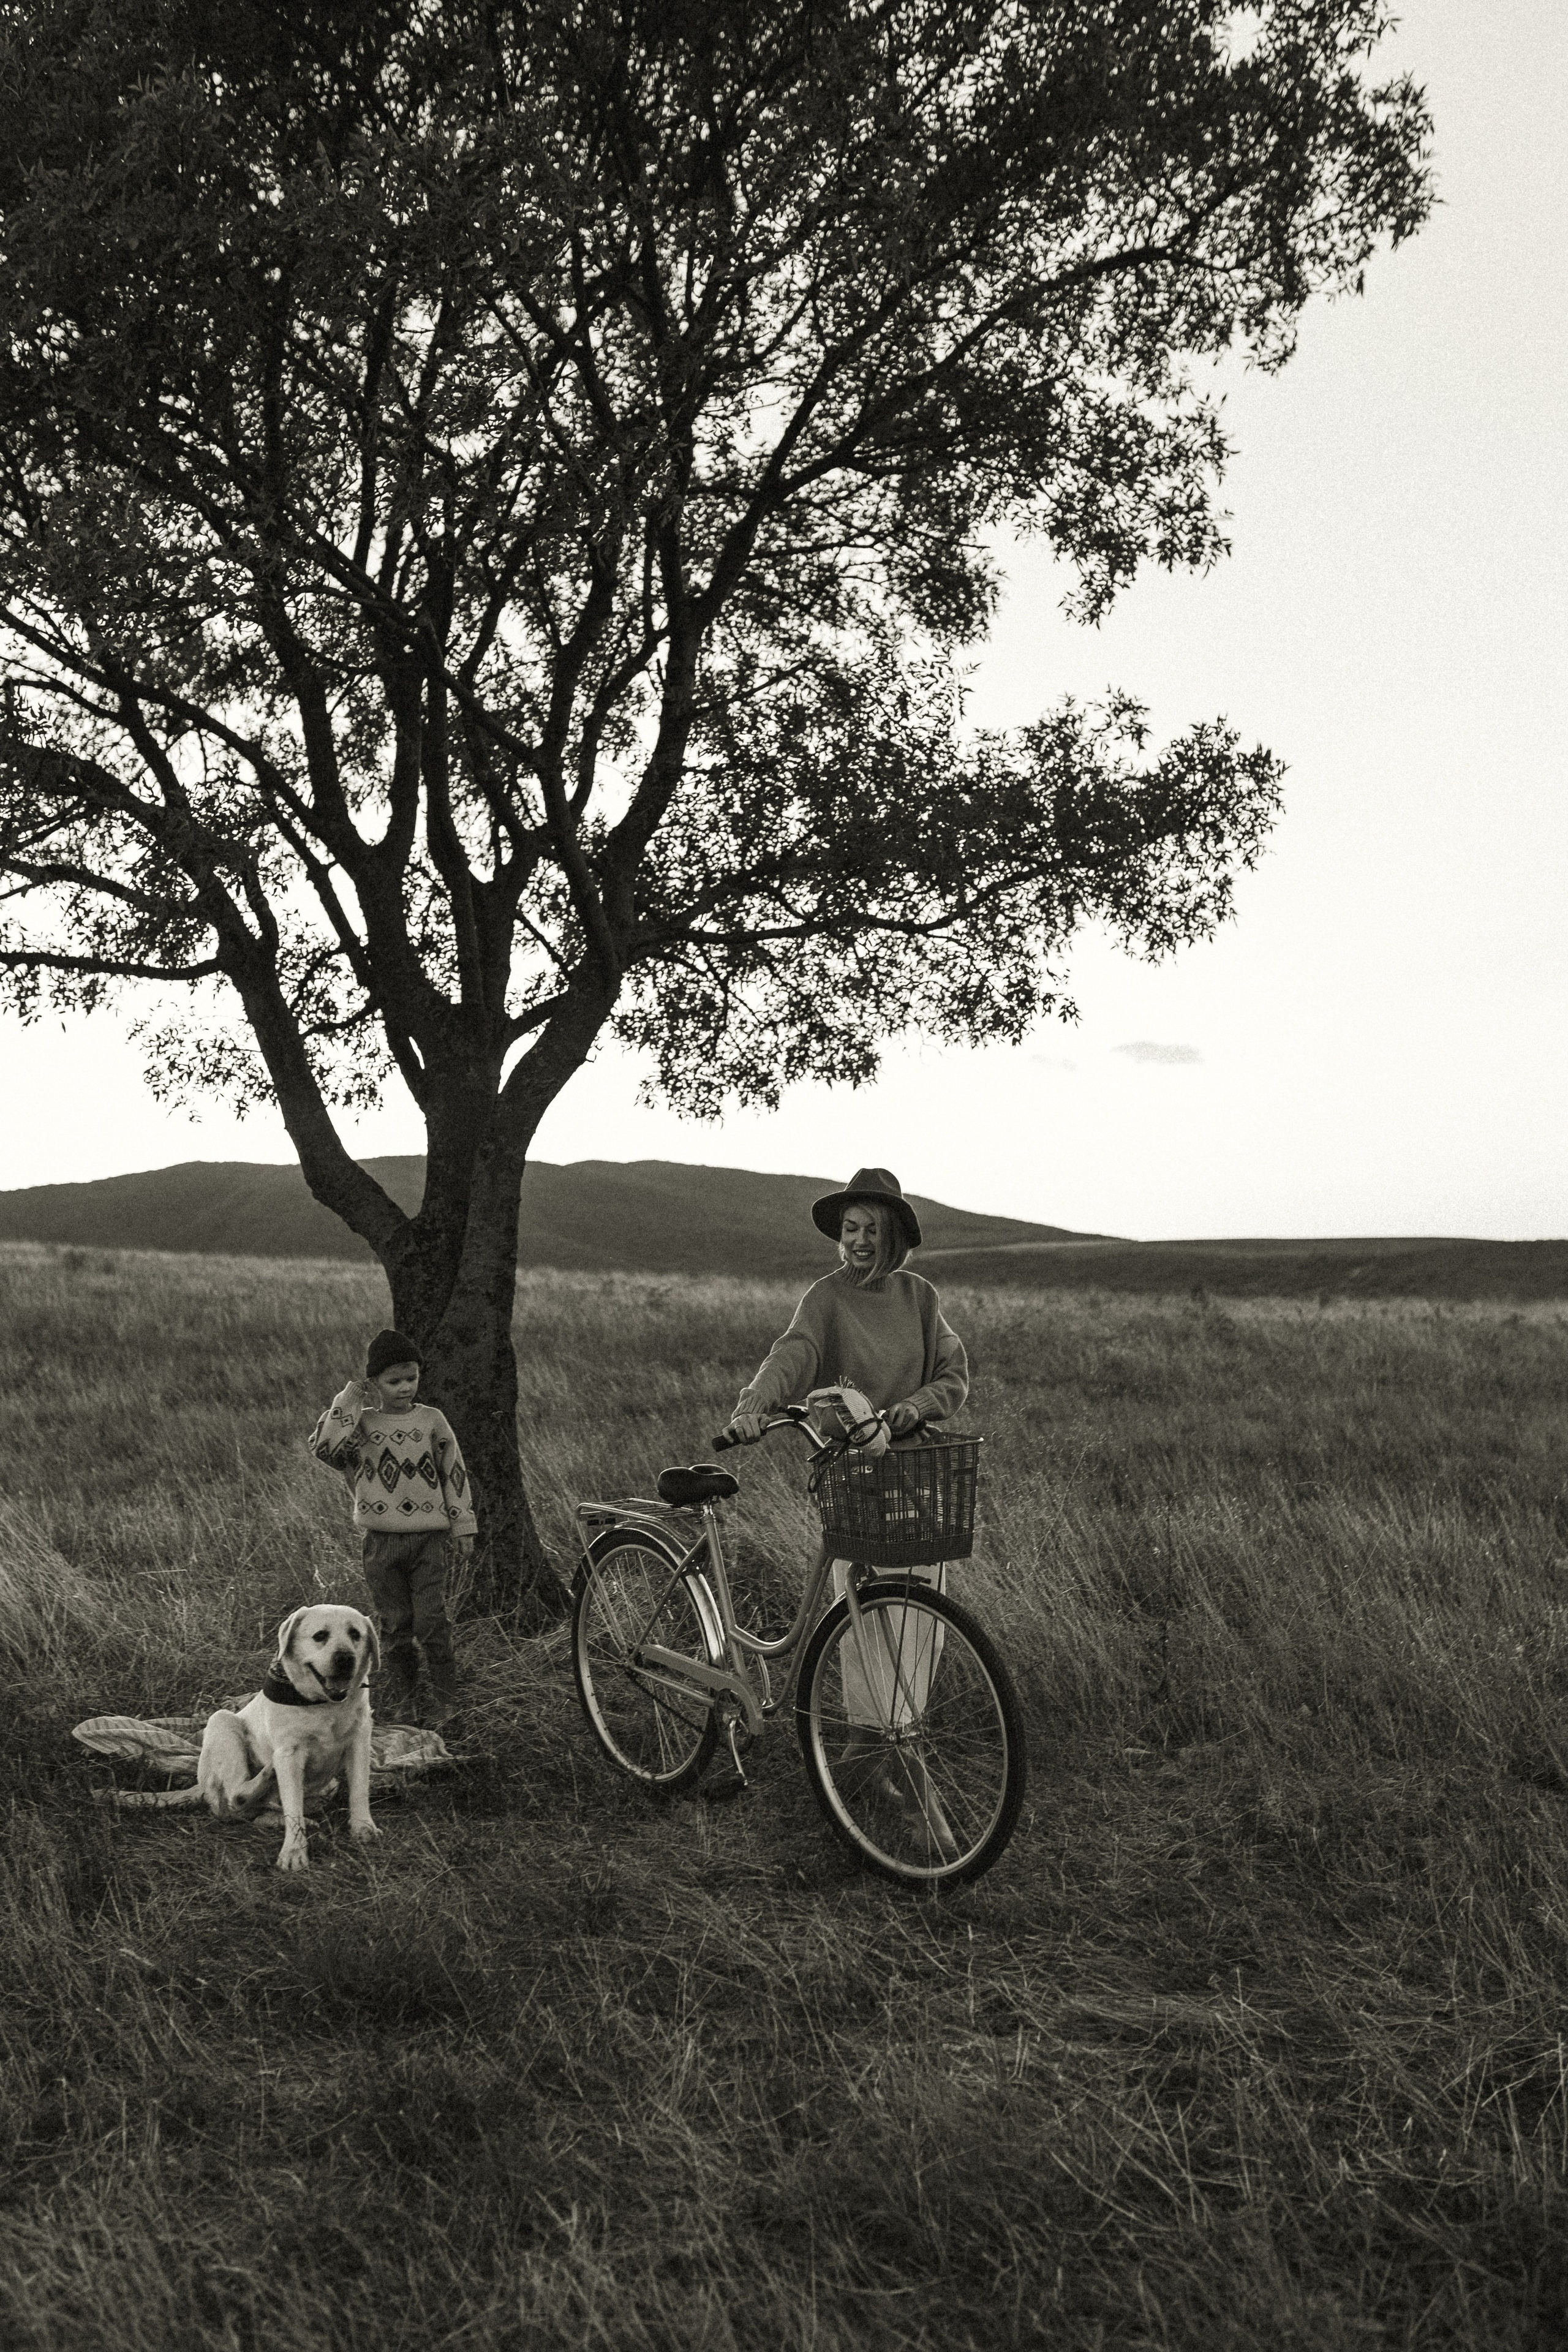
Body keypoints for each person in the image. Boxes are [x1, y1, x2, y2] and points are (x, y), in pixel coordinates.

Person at [722, 1167, 968, 1848]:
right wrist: (753, 1408)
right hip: (854, 1484)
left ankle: (864, 1769)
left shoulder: (920, 1297)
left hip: (919, 1481)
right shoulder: (824, 1299)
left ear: (894, 1239)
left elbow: (953, 1372)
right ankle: (915, 1797)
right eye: (850, 1229)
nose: (858, 1241)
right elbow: (793, 1354)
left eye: (871, 1231)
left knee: (920, 1631)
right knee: (867, 1633)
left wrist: (914, 1408)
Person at [309, 1329, 477, 1727]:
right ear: (375, 1383)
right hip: (380, 1543)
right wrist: (350, 1398)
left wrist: (463, 1522)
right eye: (393, 1380)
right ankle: (407, 1703)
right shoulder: (360, 1426)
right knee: (395, 1625)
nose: (405, 1387)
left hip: (429, 1540)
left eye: (412, 1378)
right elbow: (325, 1448)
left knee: (432, 1621)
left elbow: (453, 1471)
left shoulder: (432, 1421)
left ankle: (447, 1702)